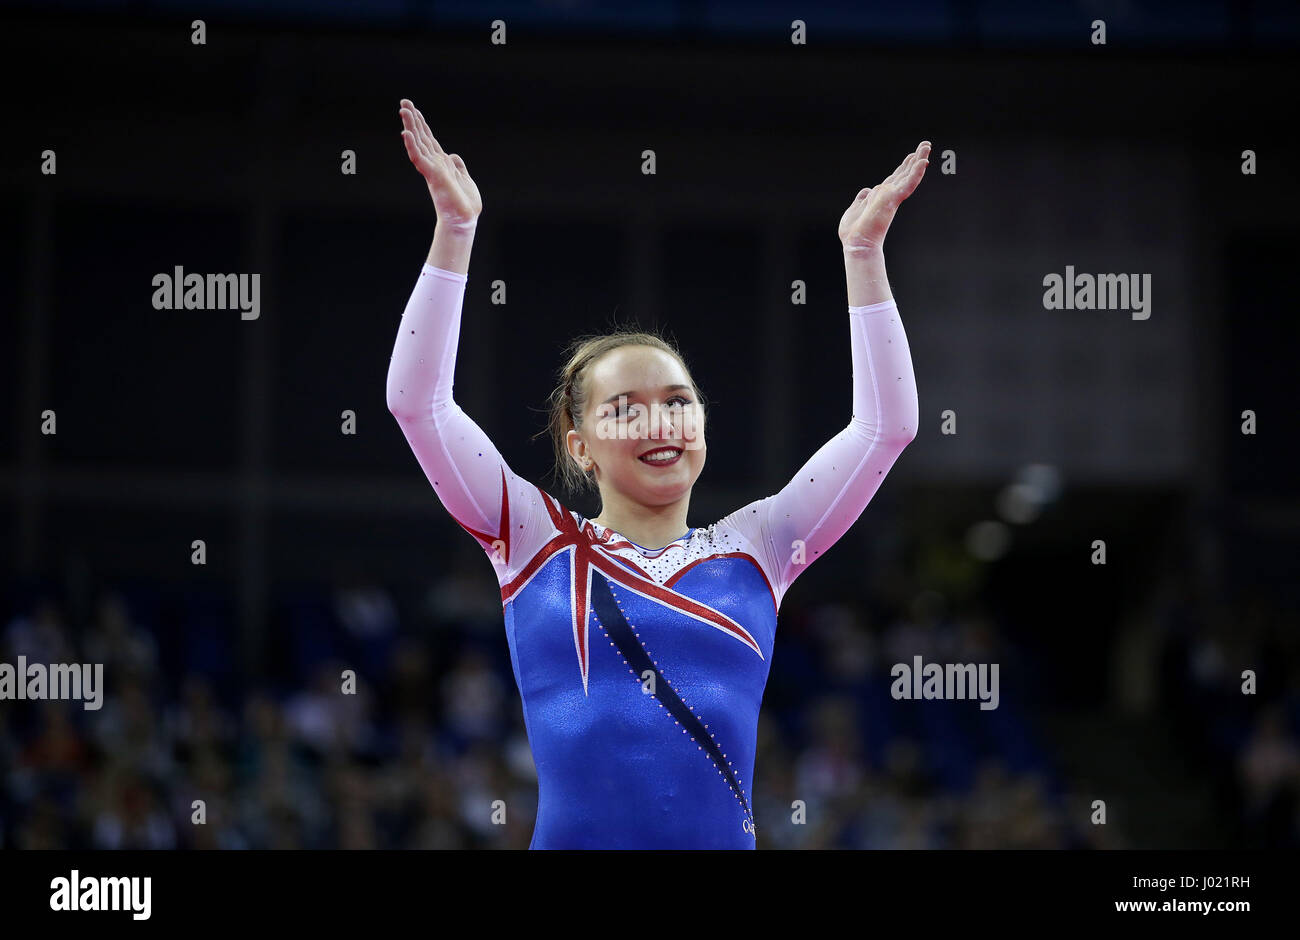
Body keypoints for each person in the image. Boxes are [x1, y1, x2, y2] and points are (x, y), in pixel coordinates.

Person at [387, 97, 924, 848]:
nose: (660, 423)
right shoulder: (534, 539)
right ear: (579, 446)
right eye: (626, 409)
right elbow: (419, 405)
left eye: (678, 402)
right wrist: (455, 230)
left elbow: (886, 428)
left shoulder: (760, 547)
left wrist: (863, 258)